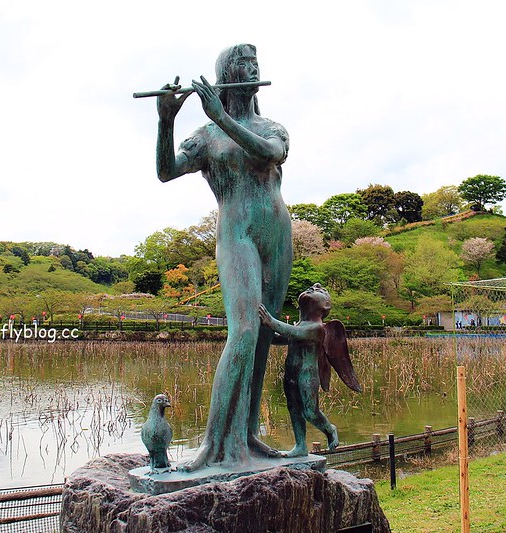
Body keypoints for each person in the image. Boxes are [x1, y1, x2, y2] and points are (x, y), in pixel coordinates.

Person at [156, 44, 292, 469]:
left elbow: (270, 153)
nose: (254, 69)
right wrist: (166, 121)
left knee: (265, 335)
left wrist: (222, 116)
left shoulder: (273, 127)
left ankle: (247, 437)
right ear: (227, 75)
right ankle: (214, 446)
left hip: (278, 234)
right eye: (245, 64)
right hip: (237, 236)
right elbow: (166, 171)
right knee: (245, 331)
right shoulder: (207, 135)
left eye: (256, 64)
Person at [258, 284, 361, 457]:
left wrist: (271, 321)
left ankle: (330, 429)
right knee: (293, 408)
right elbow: (281, 337)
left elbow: (292, 332)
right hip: (291, 373)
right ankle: (300, 446)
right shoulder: (300, 324)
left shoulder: (317, 328)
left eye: (320, 291)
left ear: (325, 306)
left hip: (307, 375)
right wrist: (262, 331)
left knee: (310, 411)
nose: (315, 287)